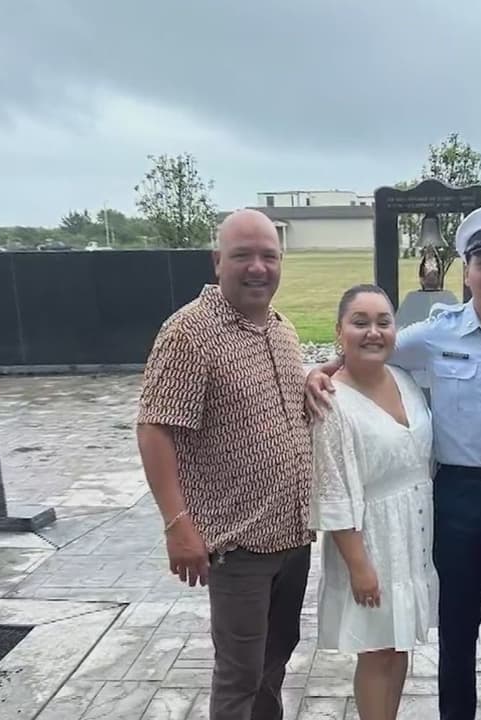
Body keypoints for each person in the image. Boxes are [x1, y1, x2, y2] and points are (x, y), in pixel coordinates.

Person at [308, 206, 481, 720]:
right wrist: (317, 370)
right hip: (455, 499)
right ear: (466, 271)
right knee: (457, 633)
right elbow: (369, 346)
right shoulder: (434, 335)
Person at [136, 209, 313, 720]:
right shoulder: (190, 333)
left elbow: (278, 404)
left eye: (268, 256)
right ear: (218, 262)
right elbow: (154, 428)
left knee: (273, 665)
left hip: (293, 538)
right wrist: (177, 524)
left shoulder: (281, 329)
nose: (258, 267)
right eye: (243, 256)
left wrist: (314, 379)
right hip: (238, 547)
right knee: (239, 674)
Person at [309, 283, 437, 720]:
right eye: (359, 322)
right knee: (377, 653)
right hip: (372, 542)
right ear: (339, 331)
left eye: (383, 322)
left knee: (398, 646)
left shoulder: (404, 379)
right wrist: (360, 566)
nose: (373, 332)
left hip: (411, 541)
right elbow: (333, 491)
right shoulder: (331, 401)